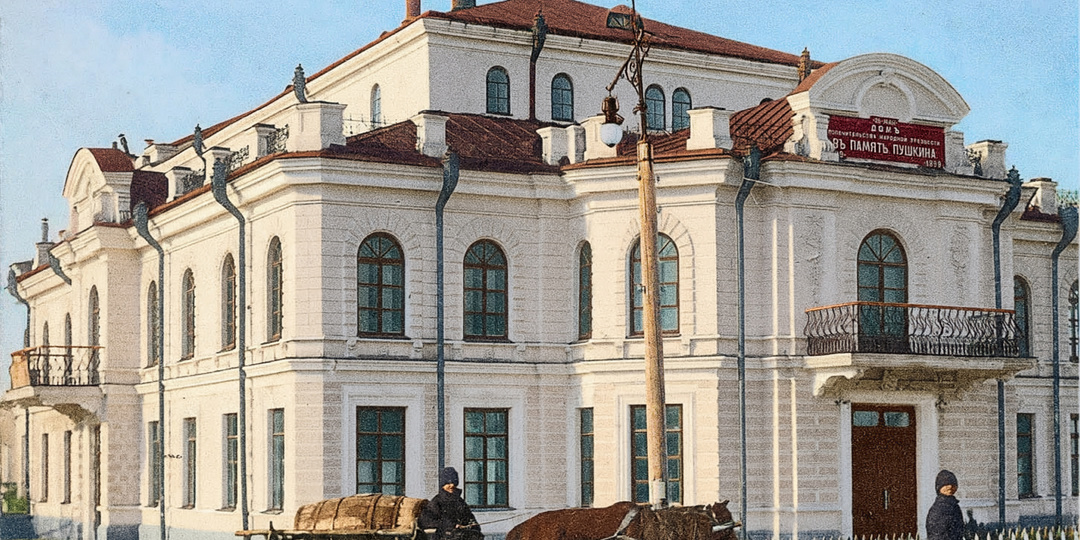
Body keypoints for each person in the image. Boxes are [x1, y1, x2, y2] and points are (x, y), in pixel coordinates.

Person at [419, 467, 482, 540]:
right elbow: (426, 521)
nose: (451, 485)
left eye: (454, 482)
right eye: (448, 483)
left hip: (462, 535)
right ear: (442, 485)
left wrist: (473, 525)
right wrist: (451, 525)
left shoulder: (459, 501)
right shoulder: (436, 502)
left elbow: (468, 516)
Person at [926, 469, 964, 540]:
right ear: (939, 487)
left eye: (952, 484)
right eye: (945, 484)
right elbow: (937, 535)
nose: (950, 486)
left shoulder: (955, 506)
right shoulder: (938, 509)